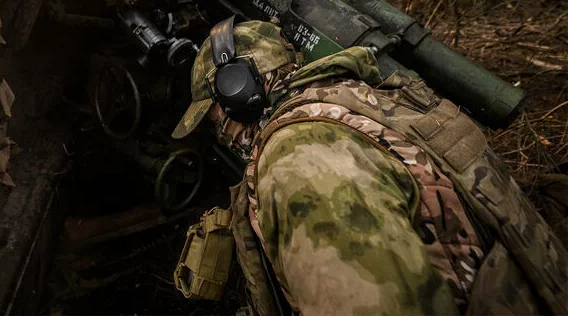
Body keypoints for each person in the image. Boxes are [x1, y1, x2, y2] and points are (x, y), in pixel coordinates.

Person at [172, 18, 567, 316]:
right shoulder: (356, 102)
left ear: (238, 89)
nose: (220, 131)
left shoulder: (301, 157)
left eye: (214, 115)